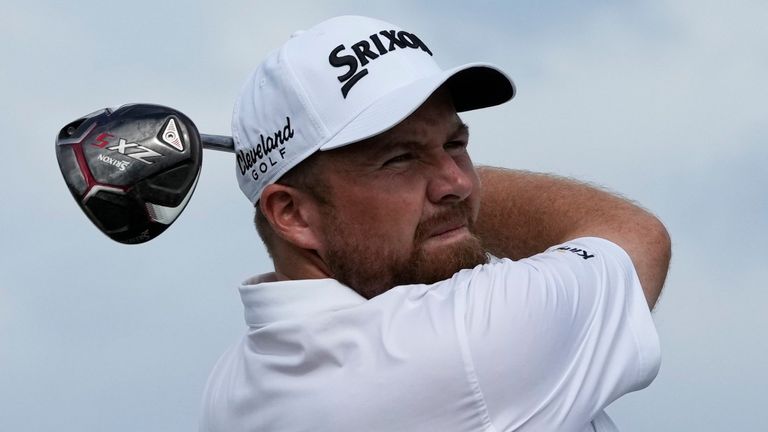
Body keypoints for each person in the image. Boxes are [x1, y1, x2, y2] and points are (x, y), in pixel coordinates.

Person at [200, 15, 671, 432]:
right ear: (293, 215)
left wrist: (416, 178)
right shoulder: (465, 342)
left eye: (454, 144)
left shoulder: (230, 386)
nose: (457, 182)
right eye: (399, 159)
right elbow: (633, 236)